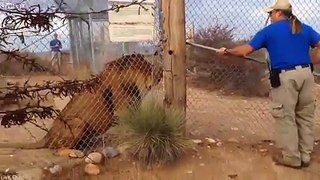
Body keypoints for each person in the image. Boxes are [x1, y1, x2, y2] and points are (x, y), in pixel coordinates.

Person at [217, 0, 320, 169]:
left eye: (270, 13)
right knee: (304, 115)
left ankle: (292, 157)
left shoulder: (269, 31)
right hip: (307, 75)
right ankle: (305, 155)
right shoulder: (305, 28)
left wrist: (227, 51)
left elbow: (246, 50)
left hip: (286, 77)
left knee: (286, 116)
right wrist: (314, 61)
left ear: (278, 13)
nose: (269, 16)